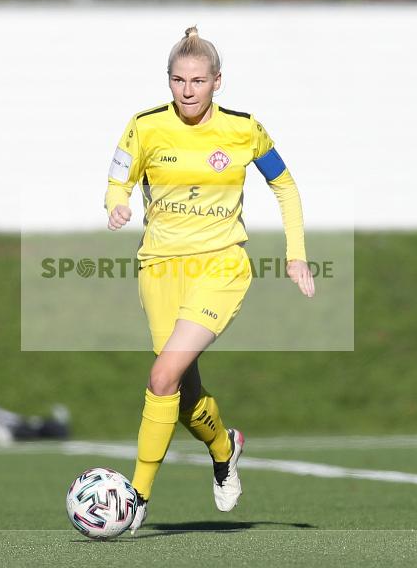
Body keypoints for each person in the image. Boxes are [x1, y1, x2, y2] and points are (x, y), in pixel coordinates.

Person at [105, 26, 315, 533]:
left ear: (217, 81)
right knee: (178, 390)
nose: (187, 90)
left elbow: (284, 186)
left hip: (221, 266)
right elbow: (119, 177)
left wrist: (296, 255)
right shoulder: (144, 126)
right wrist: (118, 203)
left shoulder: (244, 130)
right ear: (169, 81)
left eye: (198, 80)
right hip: (159, 268)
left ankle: (136, 499)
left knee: (161, 377)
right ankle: (224, 447)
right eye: (178, 80)